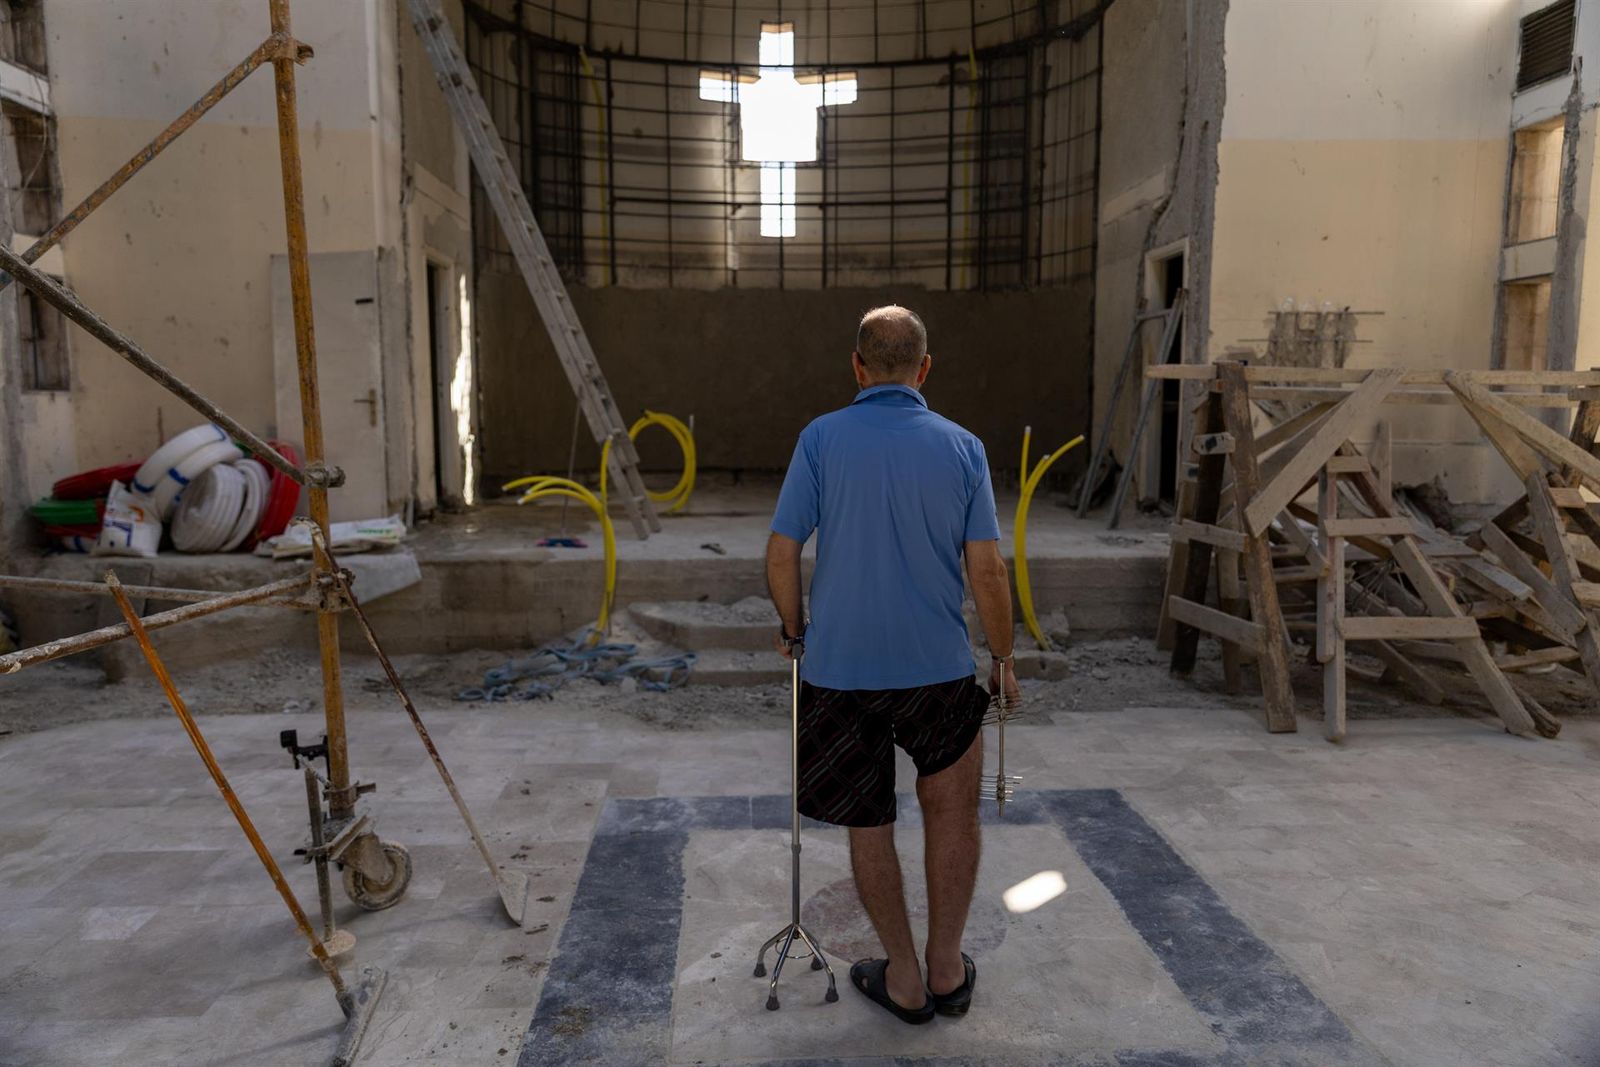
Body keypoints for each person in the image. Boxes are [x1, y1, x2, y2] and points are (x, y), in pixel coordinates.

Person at [766, 304, 1020, 1025]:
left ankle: (903, 979)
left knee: (869, 824)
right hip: (937, 673)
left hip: (840, 674)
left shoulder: (820, 440)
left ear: (856, 366)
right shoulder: (963, 448)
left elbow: (782, 552)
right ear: (924, 369)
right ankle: (947, 966)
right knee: (953, 815)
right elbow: (989, 572)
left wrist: (793, 628)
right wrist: (1002, 658)